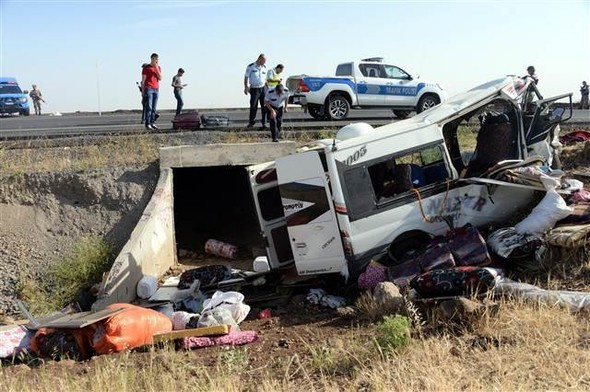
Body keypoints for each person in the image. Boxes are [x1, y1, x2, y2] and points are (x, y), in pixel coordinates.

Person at [244, 54, 268, 128]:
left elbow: (265, 79)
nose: (264, 63)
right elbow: (246, 77)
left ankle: (264, 123)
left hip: (263, 88)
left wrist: (267, 88)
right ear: (260, 59)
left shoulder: (264, 68)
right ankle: (251, 122)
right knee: (253, 106)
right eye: (264, 61)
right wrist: (246, 87)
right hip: (254, 89)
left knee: (264, 106)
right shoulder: (251, 66)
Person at [141, 53, 162, 130]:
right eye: (154, 59)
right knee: (149, 107)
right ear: (151, 59)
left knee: (154, 107)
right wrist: (143, 91)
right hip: (148, 88)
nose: (155, 61)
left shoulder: (158, 68)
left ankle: (152, 122)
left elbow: (160, 78)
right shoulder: (146, 68)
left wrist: (156, 68)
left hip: (156, 88)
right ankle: (148, 123)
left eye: (156, 59)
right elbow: (143, 80)